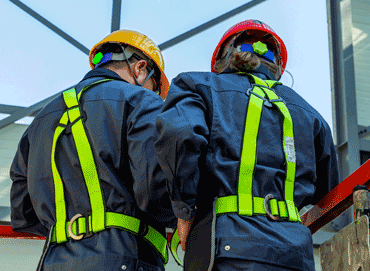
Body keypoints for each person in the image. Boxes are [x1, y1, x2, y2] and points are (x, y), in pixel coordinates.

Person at [156, 19, 339, 271]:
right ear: (276, 65)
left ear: (223, 58)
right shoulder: (310, 114)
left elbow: (179, 134)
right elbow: (328, 192)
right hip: (295, 255)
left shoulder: (197, 86)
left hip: (228, 248)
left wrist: (184, 211)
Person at [10, 30, 174, 271]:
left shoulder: (42, 120)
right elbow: (154, 189)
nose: (153, 93)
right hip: (125, 258)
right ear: (140, 68)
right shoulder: (141, 101)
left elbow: (23, 212)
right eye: (154, 86)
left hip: (54, 261)